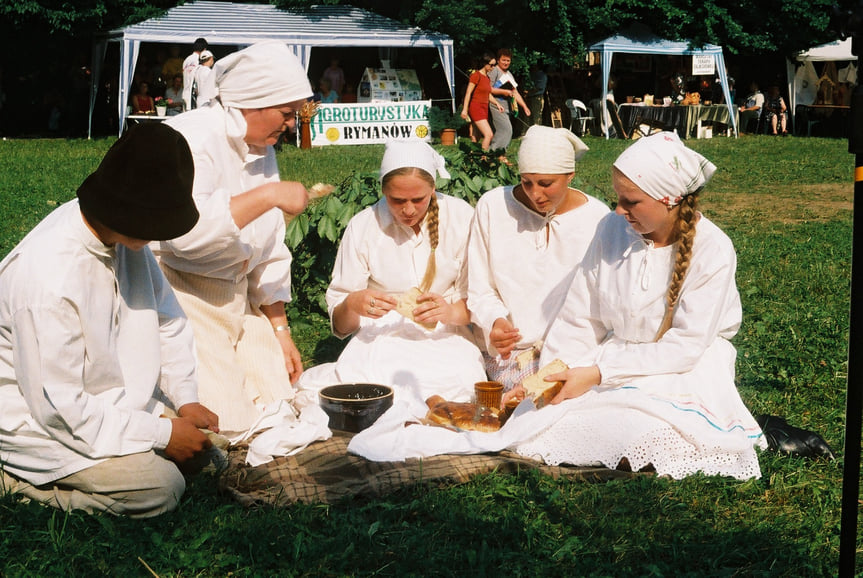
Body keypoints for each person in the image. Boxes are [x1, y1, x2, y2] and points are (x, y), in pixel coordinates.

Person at [505, 132, 766, 480]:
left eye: (631, 202)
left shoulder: (713, 250)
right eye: (618, 198)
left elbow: (686, 346)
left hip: (685, 366)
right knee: (542, 422)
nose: (618, 210)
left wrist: (599, 374)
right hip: (616, 356)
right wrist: (552, 374)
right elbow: (581, 316)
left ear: (670, 200)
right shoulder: (611, 229)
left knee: (641, 431)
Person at [0, 123, 220, 517]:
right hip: (34, 421)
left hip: (102, 405)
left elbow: (167, 320)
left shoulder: (123, 237)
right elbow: (58, 408)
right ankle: (15, 484)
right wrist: (162, 434)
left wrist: (185, 398)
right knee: (159, 488)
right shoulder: (48, 280)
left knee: (209, 459)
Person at [150, 42, 313, 434]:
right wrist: (268, 195)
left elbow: (269, 249)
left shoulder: (260, 147)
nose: (291, 125)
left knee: (284, 405)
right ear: (255, 101)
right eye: (287, 114)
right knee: (230, 425)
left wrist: (281, 331)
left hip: (236, 296)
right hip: (181, 293)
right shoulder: (190, 137)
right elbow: (183, 235)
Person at [297, 140, 485, 402]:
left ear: (433, 188)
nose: (408, 210)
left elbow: (481, 295)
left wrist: (451, 312)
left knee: (456, 384)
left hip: (447, 332)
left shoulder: (461, 217)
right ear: (383, 191)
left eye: (418, 199)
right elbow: (341, 325)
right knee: (372, 385)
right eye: (397, 201)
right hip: (383, 334)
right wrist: (352, 303)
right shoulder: (364, 225)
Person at [467, 125, 610, 390]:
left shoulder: (597, 218)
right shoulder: (493, 206)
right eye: (526, 182)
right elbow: (479, 286)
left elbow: (599, 303)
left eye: (546, 184)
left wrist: (565, 355)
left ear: (570, 176)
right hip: (511, 356)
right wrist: (494, 322)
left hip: (575, 351)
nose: (535, 194)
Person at [488, 49, 531, 152]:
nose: (506, 63)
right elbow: (488, 89)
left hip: (508, 107)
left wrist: (525, 107)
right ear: (498, 60)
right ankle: (494, 153)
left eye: (508, 60)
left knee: (505, 131)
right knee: (506, 130)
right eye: (504, 60)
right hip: (496, 105)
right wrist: (504, 92)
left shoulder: (509, 74)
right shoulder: (494, 71)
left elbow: (515, 92)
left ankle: (501, 154)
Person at [460, 52, 504, 151]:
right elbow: (468, 93)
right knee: (489, 134)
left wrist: (497, 104)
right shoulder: (476, 76)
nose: (493, 67)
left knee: (476, 136)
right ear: (485, 63)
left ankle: (471, 156)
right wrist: (464, 110)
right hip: (476, 107)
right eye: (491, 65)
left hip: (484, 108)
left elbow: (487, 94)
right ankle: (483, 158)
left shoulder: (487, 78)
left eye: (494, 65)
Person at [182, 38, 209, 111]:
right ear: (204, 49)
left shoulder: (186, 60)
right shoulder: (199, 60)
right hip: (193, 96)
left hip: (185, 94)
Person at [527, 61, 547, 127]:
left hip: (537, 97)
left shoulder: (541, 75)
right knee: (530, 115)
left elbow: (539, 87)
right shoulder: (534, 74)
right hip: (531, 97)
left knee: (537, 115)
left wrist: (528, 91)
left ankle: (538, 131)